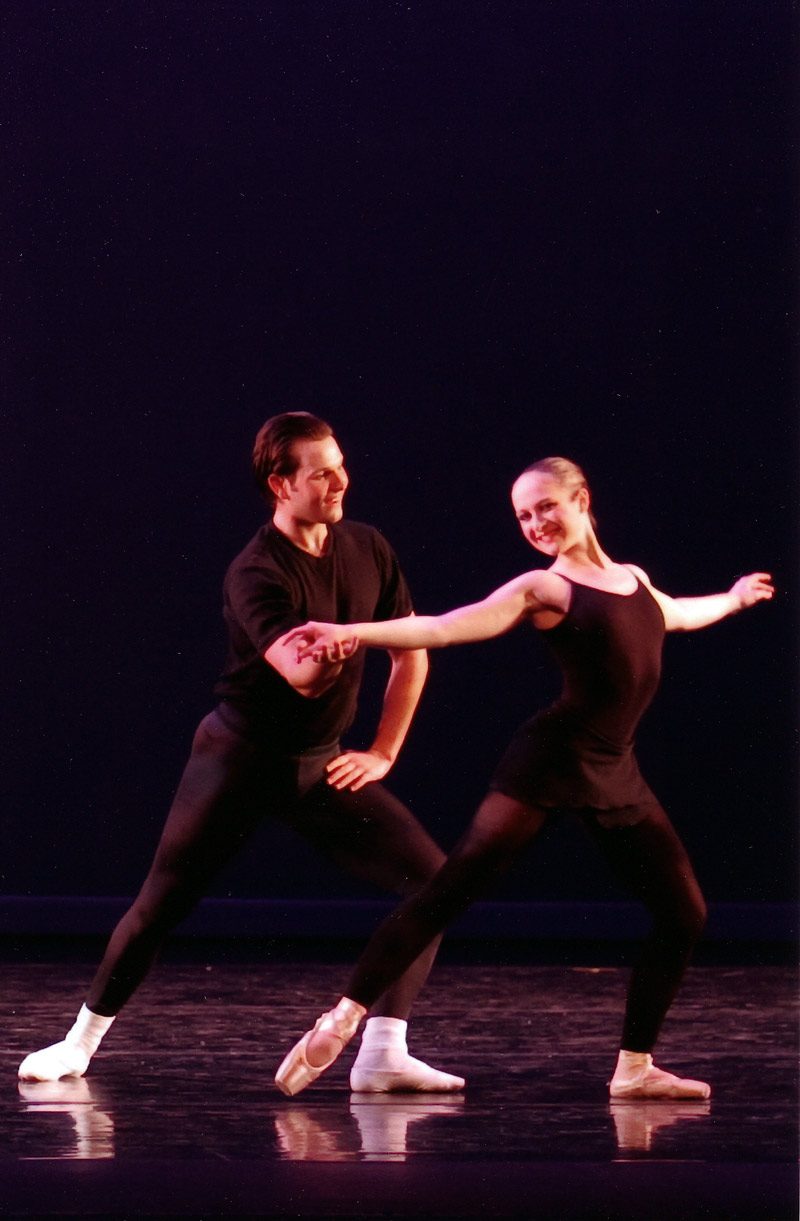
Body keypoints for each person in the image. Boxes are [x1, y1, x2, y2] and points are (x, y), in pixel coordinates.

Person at [274, 456, 774, 1099]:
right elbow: (444, 627)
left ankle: (634, 1068)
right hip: (550, 759)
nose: (535, 524)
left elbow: (675, 613)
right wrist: (353, 631)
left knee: (683, 913)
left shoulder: (633, 580)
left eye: (545, 507)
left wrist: (733, 599)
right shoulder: (545, 588)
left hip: (613, 768)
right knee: (452, 888)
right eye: (523, 516)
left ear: (581, 499)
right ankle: (342, 1018)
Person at [18, 413, 464, 1095]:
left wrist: (382, 749)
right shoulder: (256, 571)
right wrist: (351, 637)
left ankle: (382, 1052)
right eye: (322, 473)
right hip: (239, 762)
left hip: (319, 763)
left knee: (436, 881)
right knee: (162, 903)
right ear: (281, 484)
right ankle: (78, 1044)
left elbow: (413, 651)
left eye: (341, 466)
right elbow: (304, 675)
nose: (341, 482)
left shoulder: (368, 546)